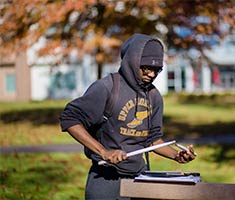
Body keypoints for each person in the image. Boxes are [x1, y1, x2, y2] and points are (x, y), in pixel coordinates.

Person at [59, 33, 197, 200]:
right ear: (132, 61)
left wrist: (176, 156)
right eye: (146, 67)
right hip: (105, 178)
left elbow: (153, 140)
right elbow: (70, 118)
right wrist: (103, 151)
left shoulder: (154, 96)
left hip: (139, 178)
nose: (152, 74)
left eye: (156, 69)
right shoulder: (107, 87)